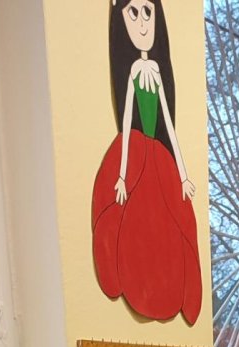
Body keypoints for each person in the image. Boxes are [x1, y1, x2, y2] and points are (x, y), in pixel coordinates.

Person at [91, 0, 202, 325]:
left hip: (162, 159)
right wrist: (121, 174)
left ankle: (172, 289)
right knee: (131, 222)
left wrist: (183, 175)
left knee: (173, 225)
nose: (142, 23)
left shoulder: (156, 72)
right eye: (133, 13)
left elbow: (167, 122)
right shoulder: (132, 74)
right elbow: (127, 122)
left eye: (148, 12)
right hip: (136, 152)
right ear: (121, 19)